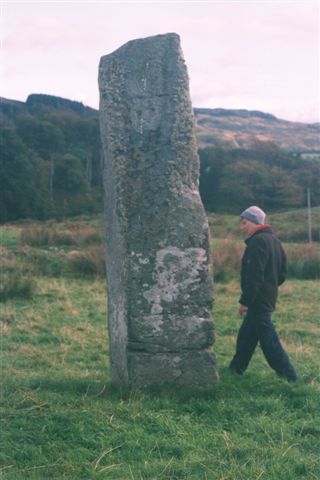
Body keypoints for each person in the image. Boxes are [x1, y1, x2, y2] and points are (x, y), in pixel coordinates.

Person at [229, 205, 297, 382]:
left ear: (253, 222)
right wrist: (270, 286)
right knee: (247, 336)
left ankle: (289, 376)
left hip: (258, 300)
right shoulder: (274, 241)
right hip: (266, 296)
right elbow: (282, 273)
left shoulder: (257, 242)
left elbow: (254, 276)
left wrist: (246, 301)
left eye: (244, 223)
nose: (242, 227)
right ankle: (235, 369)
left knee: (269, 342)